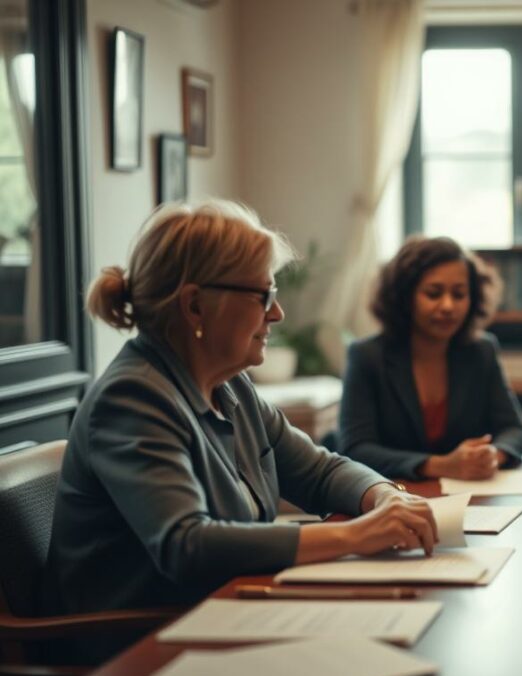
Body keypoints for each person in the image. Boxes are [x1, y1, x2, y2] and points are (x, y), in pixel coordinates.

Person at [48, 201, 438, 618]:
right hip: (135, 645)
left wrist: (382, 497)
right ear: (195, 306)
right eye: (263, 295)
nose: (277, 312)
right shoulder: (131, 398)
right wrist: (354, 536)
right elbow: (187, 545)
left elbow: (320, 471)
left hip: (222, 611)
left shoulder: (230, 384)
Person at [339, 236, 522, 481]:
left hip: (470, 494)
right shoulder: (366, 356)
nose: (448, 306)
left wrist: (492, 455)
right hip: (392, 496)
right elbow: (355, 449)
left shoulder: (482, 350)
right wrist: (440, 465)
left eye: (459, 294)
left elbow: (516, 430)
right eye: (433, 293)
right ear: (405, 297)